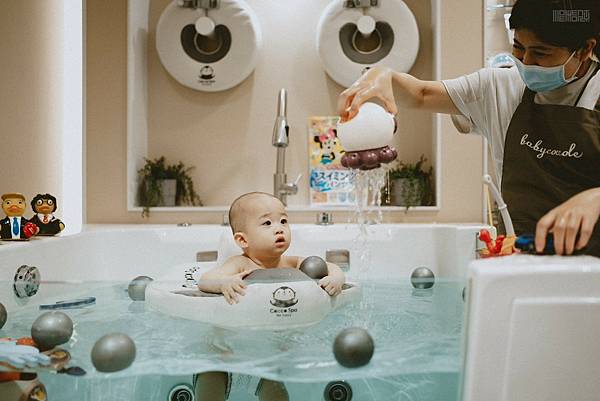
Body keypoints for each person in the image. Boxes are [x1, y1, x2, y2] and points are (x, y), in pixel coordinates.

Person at [338, 0, 600, 257]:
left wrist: (594, 198)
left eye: (541, 53)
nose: (527, 62)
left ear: (585, 49)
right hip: (522, 257)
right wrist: (384, 75)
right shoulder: (500, 87)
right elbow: (421, 94)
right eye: (519, 47)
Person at [194, 191, 345, 401]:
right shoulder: (240, 264)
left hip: (270, 358)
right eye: (267, 223)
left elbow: (331, 267)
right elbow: (206, 280)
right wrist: (224, 282)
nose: (279, 228)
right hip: (225, 356)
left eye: (283, 221)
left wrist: (336, 278)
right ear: (242, 239)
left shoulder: (291, 263)